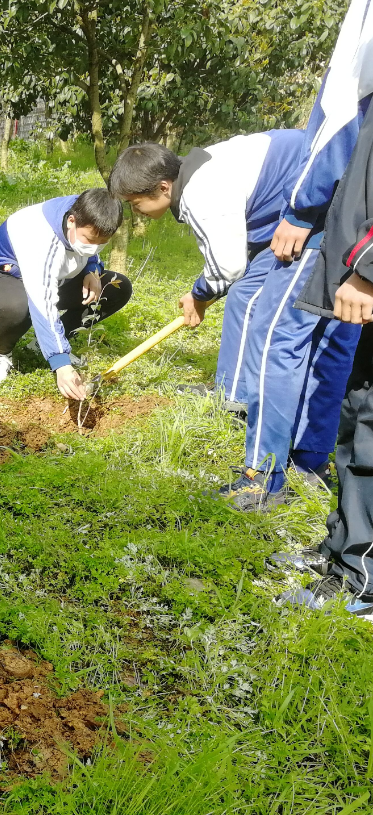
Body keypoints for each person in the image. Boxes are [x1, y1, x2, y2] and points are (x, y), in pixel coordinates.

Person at [217, 0, 373, 511]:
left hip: (333, 216)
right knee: (336, 340)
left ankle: (262, 475)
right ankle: (309, 461)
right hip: (362, 228)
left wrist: (301, 209)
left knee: (274, 335)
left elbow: (338, 122)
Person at [109, 132, 305, 415]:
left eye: (135, 202)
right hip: (280, 209)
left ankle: (233, 401)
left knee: (245, 297)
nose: (135, 210)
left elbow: (229, 266)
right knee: (244, 293)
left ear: (164, 187)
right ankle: (232, 389)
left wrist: (198, 295)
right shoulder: (195, 174)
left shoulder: (201, 193)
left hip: (311, 200)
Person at [273, 107, 373, 616]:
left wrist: (368, 263)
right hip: (355, 261)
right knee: (356, 417)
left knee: (371, 429)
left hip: (366, 265)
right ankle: (343, 553)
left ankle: (363, 582)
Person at [0, 188, 129, 399]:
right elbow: (42, 301)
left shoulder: (90, 213)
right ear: (71, 221)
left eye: (102, 243)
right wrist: (60, 363)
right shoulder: (41, 237)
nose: (94, 247)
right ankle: (0, 354)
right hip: (1, 277)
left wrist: (92, 269)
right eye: (89, 240)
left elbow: (88, 253)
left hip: (55, 277)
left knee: (117, 287)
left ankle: (40, 344)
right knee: (17, 306)